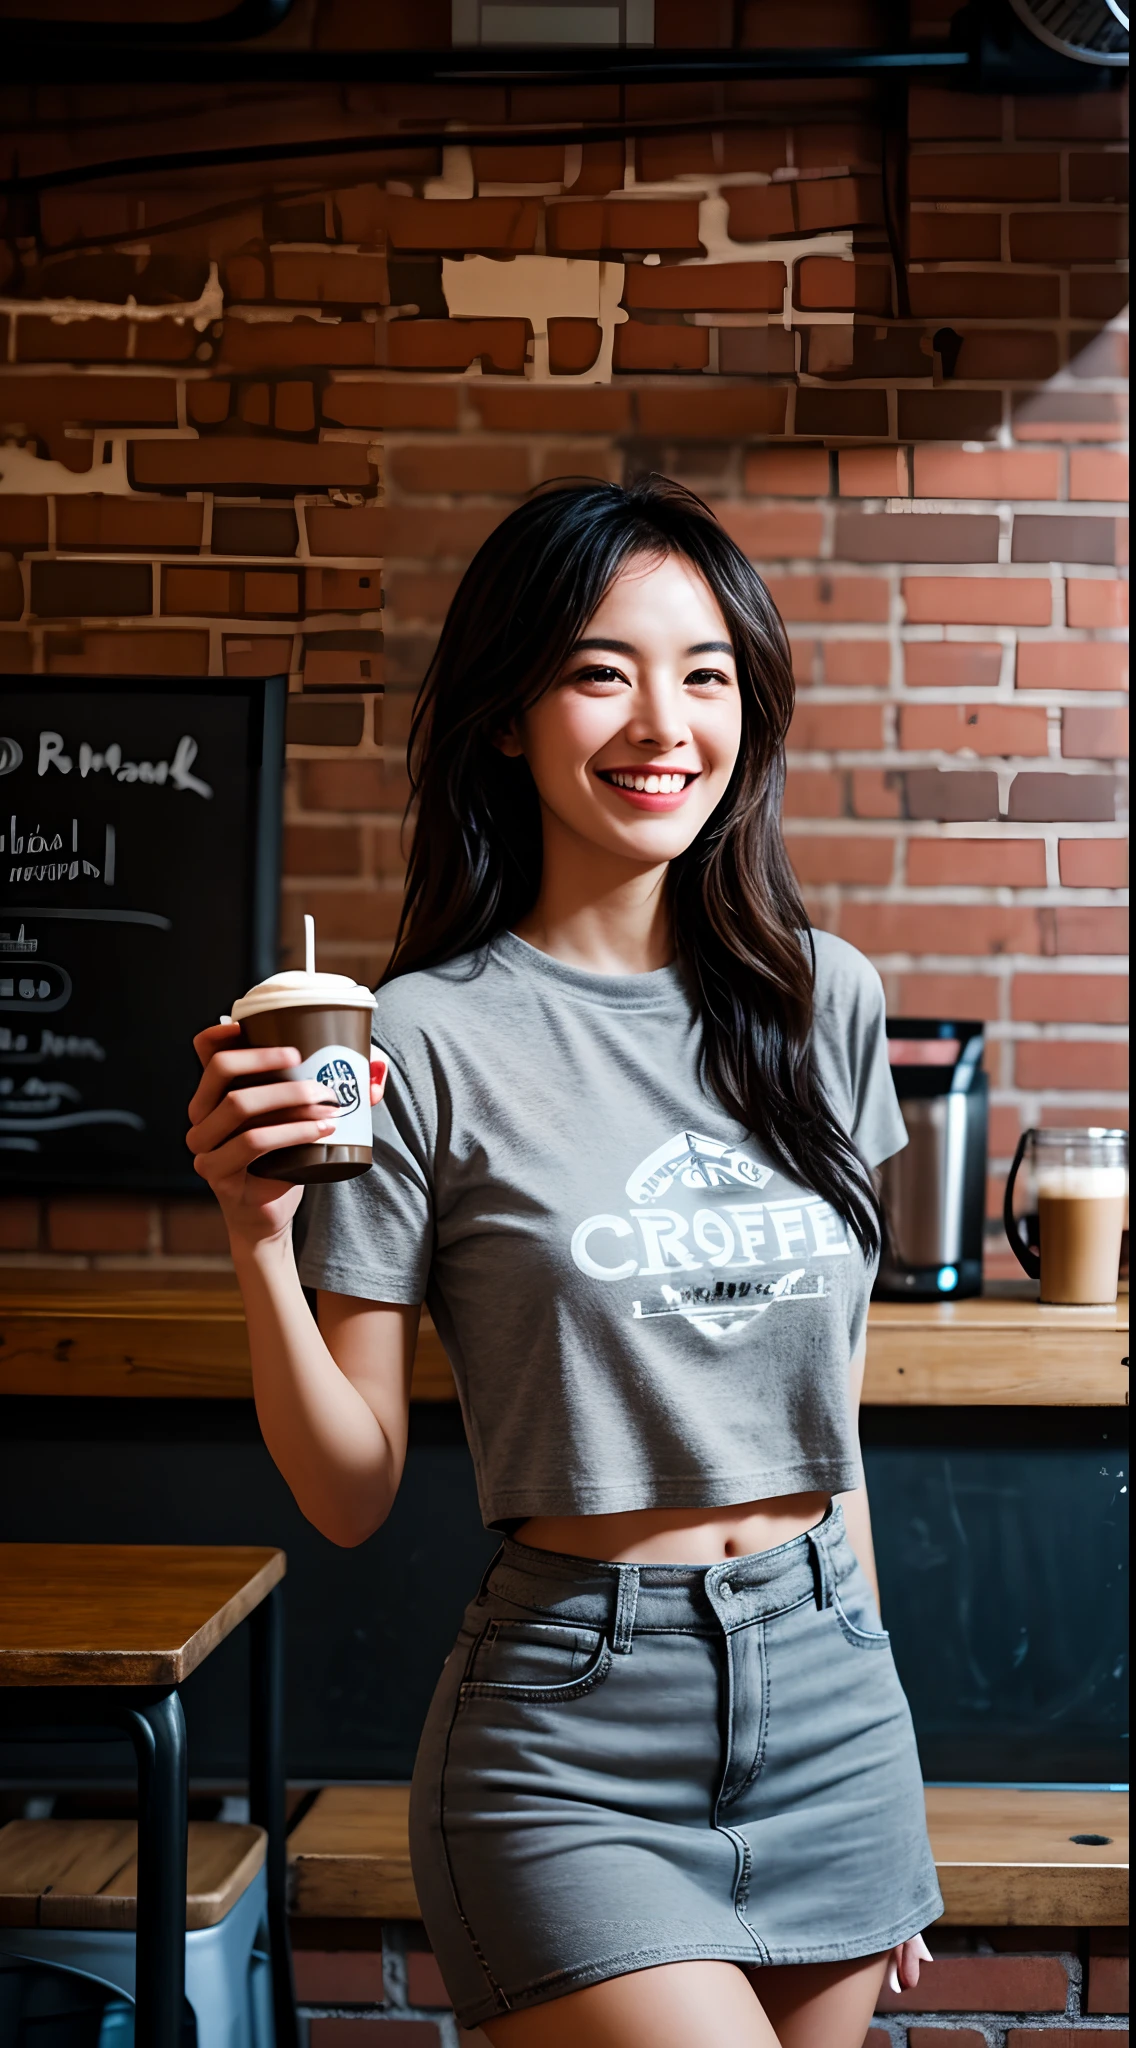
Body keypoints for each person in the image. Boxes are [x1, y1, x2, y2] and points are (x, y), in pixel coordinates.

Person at [187, 478, 941, 2048]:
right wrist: (261, 1242)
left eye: (706, 672)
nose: (663, 721)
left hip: (831, 1704)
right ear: (508, 716)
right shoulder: (426, 1038)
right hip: (573, 1732)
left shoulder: (829, 1003)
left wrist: (884, 1748)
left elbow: (830, 1426)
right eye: (602, 670)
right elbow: (349, 1488)